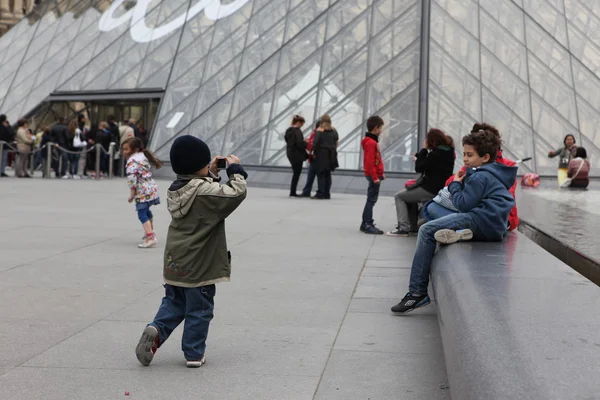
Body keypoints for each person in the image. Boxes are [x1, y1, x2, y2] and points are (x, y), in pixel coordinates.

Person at [134, 135, 247, 368]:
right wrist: (235, 170)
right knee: (200, 308)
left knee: (174, 303)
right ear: (200, 166)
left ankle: (157, 329)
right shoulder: (205, 192)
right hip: (200, 265)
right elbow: (235, 193)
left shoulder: (176, 189)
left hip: (175, 262)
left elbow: (201, 188)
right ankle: (194, 353)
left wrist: (209, 172)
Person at [391, 129, 517, 314]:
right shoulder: (495, 173)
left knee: (426, 230)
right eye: (464, 154)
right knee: (435, 221)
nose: (465, 159)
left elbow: (463, 204)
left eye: (469, 155)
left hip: (479, 220)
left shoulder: (480, 176)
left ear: (485, 157)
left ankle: (416, 293)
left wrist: (455, 183)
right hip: (493, 227)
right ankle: (460, 234)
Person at [442, 123, 520, 231]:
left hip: (496, 220)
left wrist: (457, 183)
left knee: (433, 212)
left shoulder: (483, 168)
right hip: (499, 219)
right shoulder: (506, 168)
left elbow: (461, 198)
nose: (465, 158)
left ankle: (457, 230)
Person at [386, 128, 455, 236]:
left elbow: (419, 167)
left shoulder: (436, 154)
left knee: (399, 196)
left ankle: (403, 228)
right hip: (438, 188)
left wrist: (423, 150)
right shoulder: (448, 152)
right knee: (410, 197)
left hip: (429, 189)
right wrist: (421, 157)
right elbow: (430, 165)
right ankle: (413, 226)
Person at [122, 137, 163, 249]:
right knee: (146, 210)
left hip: (142, 190)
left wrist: (132, 194)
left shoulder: (132, 161)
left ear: (134, 149)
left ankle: (151, 237)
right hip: (150, 187)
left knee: (141, 213)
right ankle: (150, 232)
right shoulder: (142, 156)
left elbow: (132, 180)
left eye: (126, 149)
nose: (124, 152)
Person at [360, 115, 386, 234]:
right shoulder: (371, 143)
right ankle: (367, 223)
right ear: (375, 128)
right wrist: (375, 177)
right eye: (380, 128)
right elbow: (370, 162)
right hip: (373, 175)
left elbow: (375, 160)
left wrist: (381, 173)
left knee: (371, 199)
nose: (381, 131)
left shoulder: (370, 141)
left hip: (374, 174)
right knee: (371, 200)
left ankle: (365, 222)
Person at [312, 114, 339, 200]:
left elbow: (315, 143)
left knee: (321, 174)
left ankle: (320, 193)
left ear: (322, 122)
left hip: (321, 154)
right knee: (328, 174)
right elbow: (336, 142)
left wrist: (313, 152)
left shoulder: (319, 131)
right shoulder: (334, 131)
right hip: (331, 154)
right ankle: (327, 193)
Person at [284, 115, 308, 197]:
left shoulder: (288, 130)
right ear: (298, 122)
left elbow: (288, 141)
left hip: (290, 153)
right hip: (297, 155)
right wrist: (306, 142)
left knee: (295, 173)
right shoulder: (297, 131)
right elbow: (299, 144)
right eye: (302, 124)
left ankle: (292, 191)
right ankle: (293, 192)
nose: (302, 126)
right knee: (297, 173)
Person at [301, 120, 320, 197]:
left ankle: (306, 192)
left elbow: (311, 145)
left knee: (311, 175)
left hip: (314, 157)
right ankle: (322, 192)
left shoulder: (315, 133)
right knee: (320, 176)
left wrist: (306, 143)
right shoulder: (318, 133)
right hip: (317, 157)